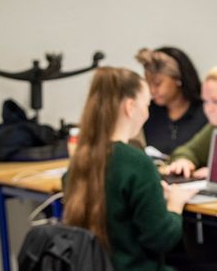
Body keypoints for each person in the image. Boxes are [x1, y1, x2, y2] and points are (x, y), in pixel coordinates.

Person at [62, 67, 198, 271]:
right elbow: (161, 239)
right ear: (130, 107)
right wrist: (175, 205)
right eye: (147, 105)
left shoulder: (79, 161)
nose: (148, 113)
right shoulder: (137, 163)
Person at [135, 47, 208, 155]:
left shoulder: (207, 112)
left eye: (157, 83)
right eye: (148, 84)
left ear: (178, 78)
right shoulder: (147, 114)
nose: (152, 90)